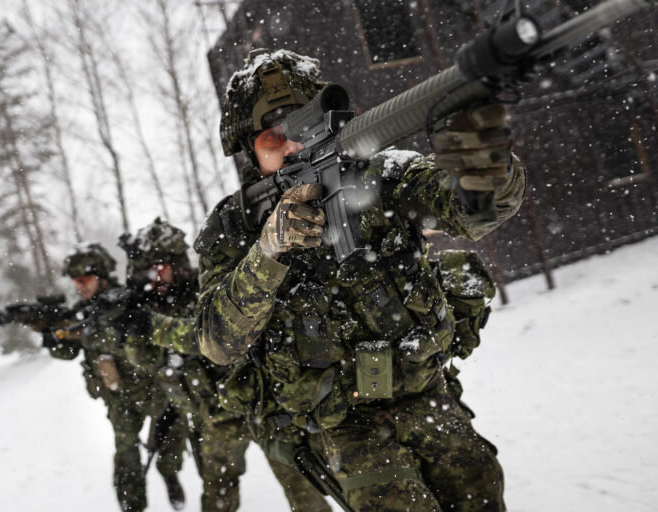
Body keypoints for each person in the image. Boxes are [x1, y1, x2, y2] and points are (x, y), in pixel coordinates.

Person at [194, 49, 526, 511]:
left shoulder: (379, 175)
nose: (292, 147)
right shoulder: (235, 226)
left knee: (481, 495)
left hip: (424, 392)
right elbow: (216, 341)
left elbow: (470, 211)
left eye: (302, 127)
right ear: (249, 150)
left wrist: (485, 167)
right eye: (273, 138)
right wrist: (268, 252)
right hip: (342, 423)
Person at [120, 219, 331, 512]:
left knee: (300, 483)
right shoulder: (153, 303)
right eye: (146, 269)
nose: (153, 276)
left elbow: (210, 338)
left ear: (176, 262)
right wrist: (131, 326)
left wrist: (153, 326)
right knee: (217, 491)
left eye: (158, 266)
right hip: (216, 414)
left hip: (259, 403)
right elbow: (144, 361)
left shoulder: (205, 287)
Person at [44, 243, 187, 512]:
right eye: (75, 281)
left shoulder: (128, 300)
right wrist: (50, 336)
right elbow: (67, 351)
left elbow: (151, 339)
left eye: (85, 279)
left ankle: (169, 474)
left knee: (169, 440)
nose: (79, 286)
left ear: (101, 277)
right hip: (118, 397)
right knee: (126, 454)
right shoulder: (82, 312)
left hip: (151, 389)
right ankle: (132, 505)